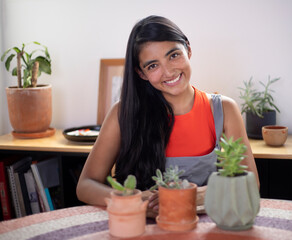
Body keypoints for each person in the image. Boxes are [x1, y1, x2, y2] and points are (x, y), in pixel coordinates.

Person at [76, 15, 259, 217]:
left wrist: (196, 195)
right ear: (141, 73)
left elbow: (251, 185)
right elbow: (85, 186)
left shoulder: (224, 109)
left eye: (173, 55)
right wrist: (134, 200)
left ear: (188, 49)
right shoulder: (123, 113)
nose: (168, 71)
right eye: (153, 66)